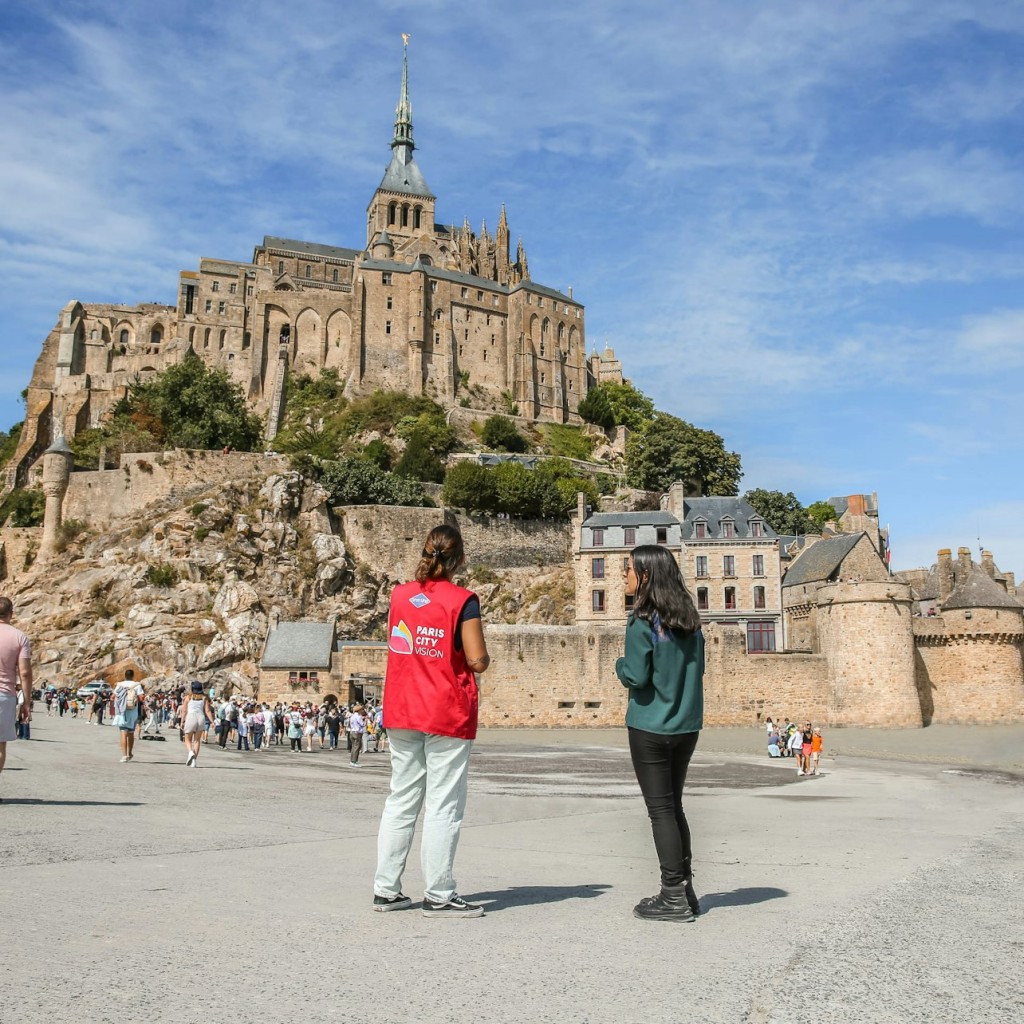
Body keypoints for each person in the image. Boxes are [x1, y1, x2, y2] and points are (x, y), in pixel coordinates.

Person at [372, 524, 491, 918]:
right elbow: (476, 660)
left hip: (403, 708)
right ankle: (438, 892)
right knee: (443, 804)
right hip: (445, 711)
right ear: (458, 559)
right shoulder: (463, 601)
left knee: (401, 799)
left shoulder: (400, 595)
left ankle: (386, 889)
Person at [615, 545, 704, 923]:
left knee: (660, 810)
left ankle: (672, 895)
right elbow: (698, 672)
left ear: (646, 576)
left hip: (650, 725)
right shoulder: (691, 621)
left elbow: (635, 675)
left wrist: (619, 665)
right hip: (686, 725)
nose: (625, 577)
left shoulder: (641, 621)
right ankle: (685, 890)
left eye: (629, 571)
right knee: (675, 806)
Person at [0, 597, 33, 800]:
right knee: (0, 744)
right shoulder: (19, 637)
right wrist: (26, 702)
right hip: (4, 695)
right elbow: (25, 673)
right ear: (11, 613)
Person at [112, 670, 145, 763]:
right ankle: (130, 753)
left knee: (123, 732)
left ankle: (124, 755)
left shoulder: (120, 684)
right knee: (130, 733)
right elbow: (141, 698)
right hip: (133, 712)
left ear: (125, 676)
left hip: (122, 712)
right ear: (133, 676)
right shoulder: (137, 685)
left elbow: (113, 697)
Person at [181, 681, 216, 767]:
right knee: (197, 741)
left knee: (187, 739)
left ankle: (190, 752)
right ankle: (194, 761)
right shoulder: (204, 698)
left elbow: (184, 710)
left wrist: (182, 721)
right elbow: (207, 711)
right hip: (201, 717)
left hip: (191, 717)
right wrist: (212, 721)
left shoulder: (188, 697)